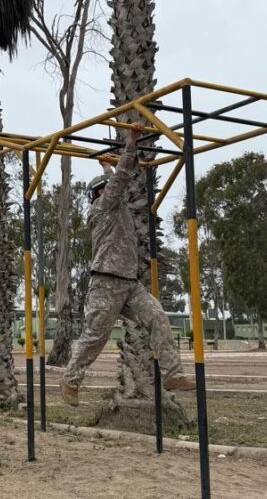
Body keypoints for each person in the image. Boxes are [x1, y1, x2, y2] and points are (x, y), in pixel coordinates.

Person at [61, 128, 195, 407]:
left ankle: (173, 374)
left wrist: (106, 167)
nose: (114, 189)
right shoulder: (102, 207)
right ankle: (71, 380)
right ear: (100, 193)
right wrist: (131, 143)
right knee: (95, 336)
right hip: (106, 282)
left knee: (157, 317)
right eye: (107, 187)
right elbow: (120, 179)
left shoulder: (116, 206)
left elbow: (116, 181)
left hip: (129, 283)